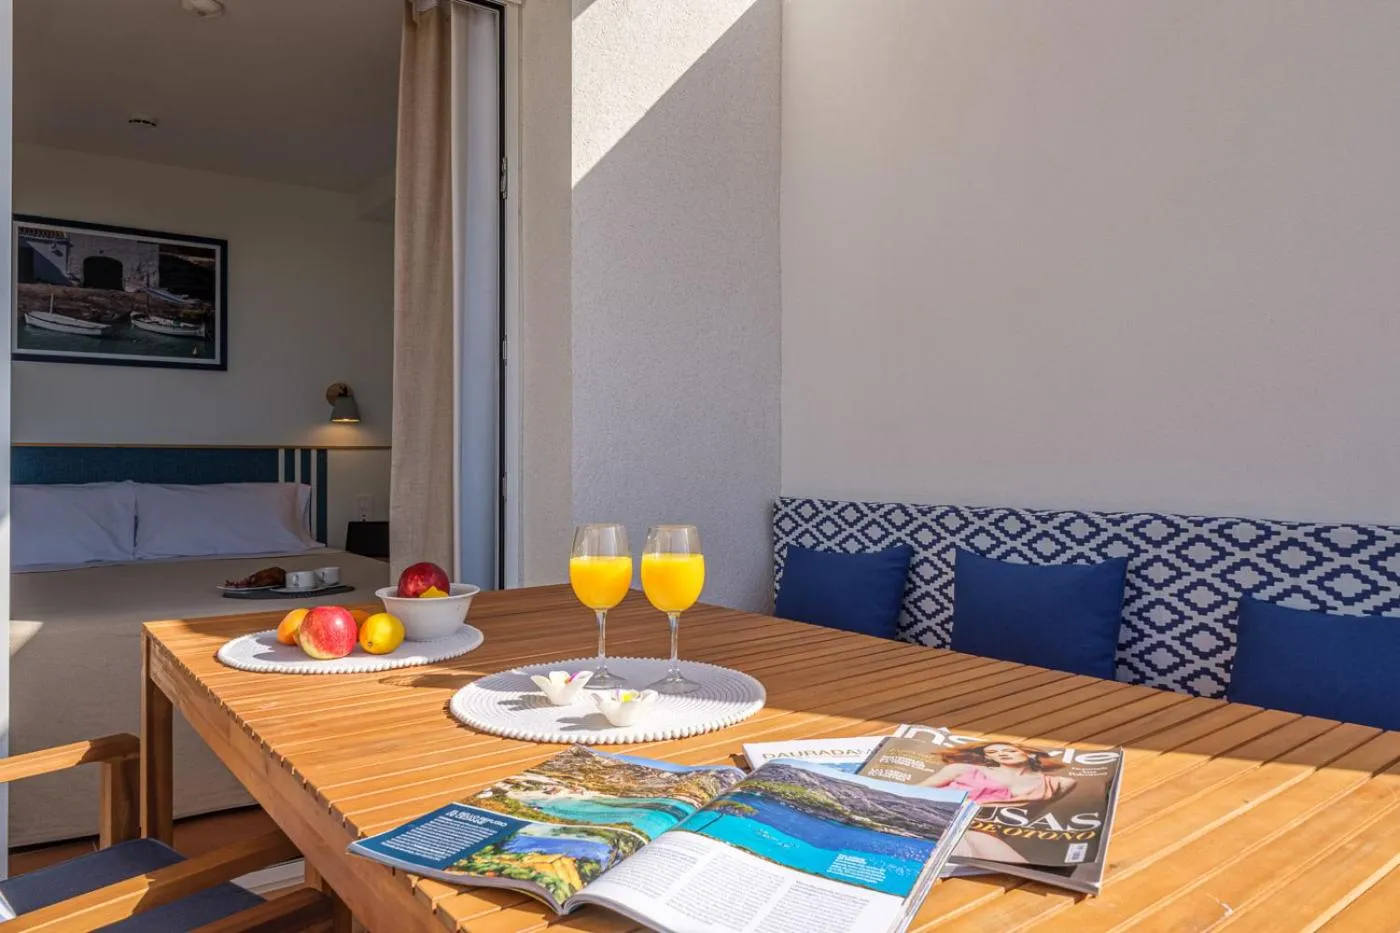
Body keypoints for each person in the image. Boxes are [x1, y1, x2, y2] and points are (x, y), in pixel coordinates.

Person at [922, 742, 1076, 862]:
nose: (1002, 754)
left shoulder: (1060, 783)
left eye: (1010, 750)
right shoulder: (962, 768)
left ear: (1029, 754)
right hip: (939, 820)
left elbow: (1025, 818)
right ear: (988, 758)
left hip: (985, 832)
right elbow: (920, 791)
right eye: (993, 752)